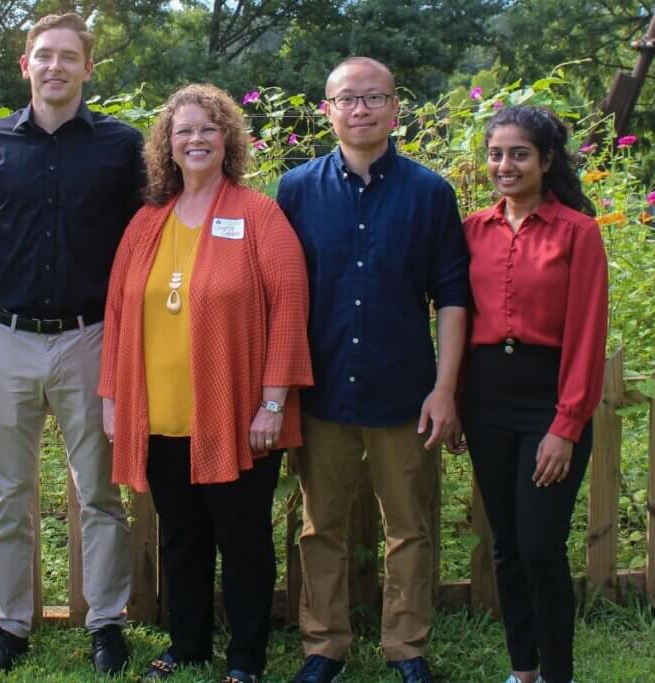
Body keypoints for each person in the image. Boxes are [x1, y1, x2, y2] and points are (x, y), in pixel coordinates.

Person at [99, 83, 312, 683]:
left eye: (207, 129)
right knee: (182, 539)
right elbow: (117, 313)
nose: (195, 139)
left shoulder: (258, 214)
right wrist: (114, 398)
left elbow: (290, 306)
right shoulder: (146, 222)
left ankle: (245, 660)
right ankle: (186, 646)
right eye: (183, 130)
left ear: (228, 141)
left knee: (243, 543)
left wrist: (274, 402)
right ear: (167, 145)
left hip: (237, 414)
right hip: (161, 414)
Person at [0, 13, 144, 676]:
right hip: (8, 338)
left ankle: (106, 621)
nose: (56, 67)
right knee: (10, 490)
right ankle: (10, 620)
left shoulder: (122, 146)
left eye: (70, 57)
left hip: (91, 336)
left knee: (97, 490)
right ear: (26, 64)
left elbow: (146, 240)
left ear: (88, 69)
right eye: (45, 56)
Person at [277, 57, 470, 683]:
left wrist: (444, 389)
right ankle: (323, 647)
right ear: (327, 110)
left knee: (410, 529)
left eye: (374, 98)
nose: (360, 109)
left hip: (403, 391)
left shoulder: (431, 194)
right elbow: (280, 295)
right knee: (319, 528)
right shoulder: (296, 190)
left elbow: (452, 297)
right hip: (324, 390)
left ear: (395, 109)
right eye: (347, 99)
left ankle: (406, 648)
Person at [460, 106, 608, 683]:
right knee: (506, 542)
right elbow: (454, 315)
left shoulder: (579, 232)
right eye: (496, 153)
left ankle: (558, 674)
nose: (505, 165)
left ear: (546, 161)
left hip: (549, 399)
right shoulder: (471, 230)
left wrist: (566, 425)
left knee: (541, 544)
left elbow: (588, 332)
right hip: (486, 398)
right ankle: (523, 670)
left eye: (519, 153)